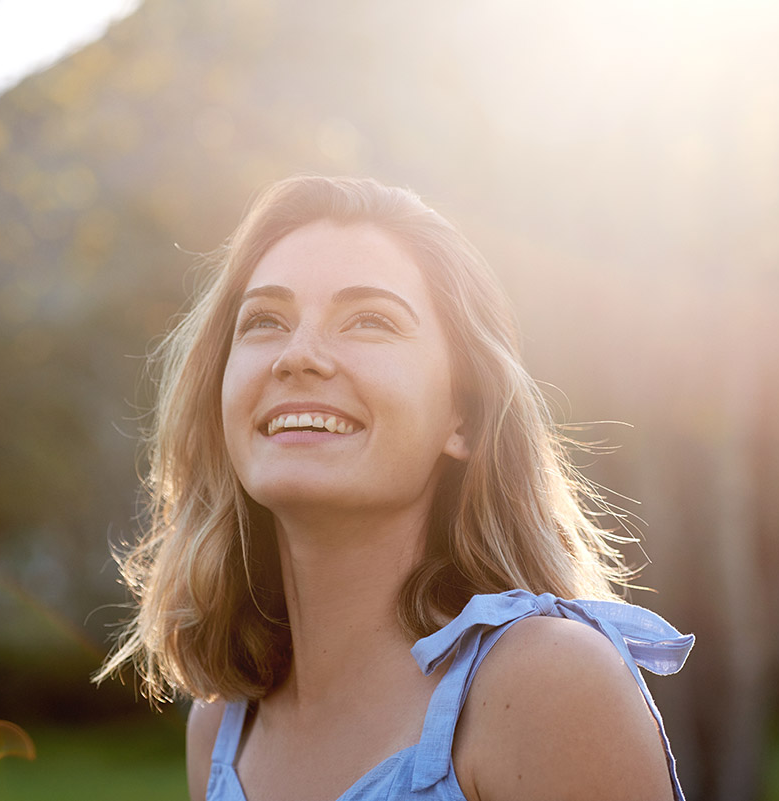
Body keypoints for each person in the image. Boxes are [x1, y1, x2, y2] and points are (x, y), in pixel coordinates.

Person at [96, 175, 694, 801]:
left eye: (369, 321)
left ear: (461, 417)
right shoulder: (219, 730)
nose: (298, 355)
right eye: (265, 320)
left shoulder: (549, 686)